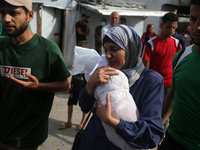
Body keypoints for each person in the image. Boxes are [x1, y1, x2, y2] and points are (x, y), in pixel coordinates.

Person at [78, 24, 164, 150]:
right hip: (91, 142)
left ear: (130, 49)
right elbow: (84, 106)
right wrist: (91, 84)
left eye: (114, 49)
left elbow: (152, 135)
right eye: (106, 50)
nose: (107, 55)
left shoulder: (151, 81)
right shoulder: (104, 72)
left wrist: (114, 123)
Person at [0, 0, 71, 150]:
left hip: (26, 137)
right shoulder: (1, 46)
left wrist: (38, 86)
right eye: (2, 13)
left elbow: (66, 84)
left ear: (30, 15)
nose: (6, 19)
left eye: (13, 13)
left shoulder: (47, 49)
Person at [160, 0, 200, 149]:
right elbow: (173, 93)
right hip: (172, 140)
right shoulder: (181, 56)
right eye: (193, 19)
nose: (197, 27)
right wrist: (160, 124)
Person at [59, 40, 88, 131]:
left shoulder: (89, 61)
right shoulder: (76, 59)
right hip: (75, 85)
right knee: (70, 103)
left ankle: (82, 123)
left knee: (84, 105)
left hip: (84, 86)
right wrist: (70, 85)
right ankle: (69, 121)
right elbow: (74, 73)